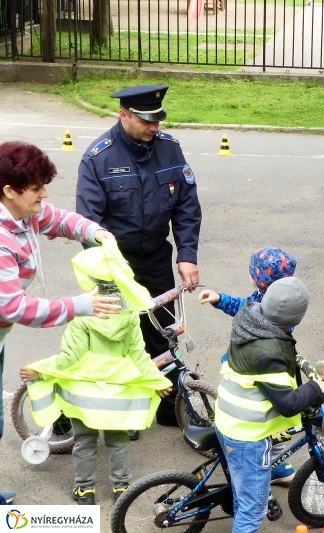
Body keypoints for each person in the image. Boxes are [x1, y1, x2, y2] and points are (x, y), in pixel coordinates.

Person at [0, 141, 120, 504]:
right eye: (36, 188)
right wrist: (81, 305)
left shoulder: (25, 214)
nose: (43, 194)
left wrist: (96, 232)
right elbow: (14, 306)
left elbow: (60, 218)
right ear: (9, 191)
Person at [76, 84, 202, 427]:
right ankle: (117, 412)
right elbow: (88, 224)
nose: (153, 127)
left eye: (157, 120)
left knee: (163, 332)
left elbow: (187, 206)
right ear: (123, 114)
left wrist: (186, 254)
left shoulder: (170, 150)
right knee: (116, 337)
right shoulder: (98, 158)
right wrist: (110, 271)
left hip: (157, 258)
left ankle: (168, 408)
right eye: (146, 121)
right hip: (117, 265)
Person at [19, 242, 171, 505]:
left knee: (84, 442)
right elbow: (139, 356)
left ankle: (85, 490)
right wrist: (157, 381)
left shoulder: (82, 318)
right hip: (118, 396)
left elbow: (68, 359)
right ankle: (122, 488)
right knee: (118, 441)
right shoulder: (131, 317)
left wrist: (39, 371)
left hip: (84, 394)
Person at [214, 277, 324, 533]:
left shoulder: (249, 320)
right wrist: (315, 387)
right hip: (247, 434)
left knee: (242, 493)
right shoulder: (270, 354)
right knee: (253, 509)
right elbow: (288, 404)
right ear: (295, 319)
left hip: (227, 417)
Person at [198, 247, 298, 487]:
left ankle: (271, 464)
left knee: (260, 414)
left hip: (251, 366)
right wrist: (219, 299)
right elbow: (242, 305)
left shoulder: (266, 308)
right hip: (269, 363)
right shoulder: (278, 301)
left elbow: (241, 307)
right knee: (272, 414)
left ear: (257, 279)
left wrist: (221, 300)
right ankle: (279, 462)